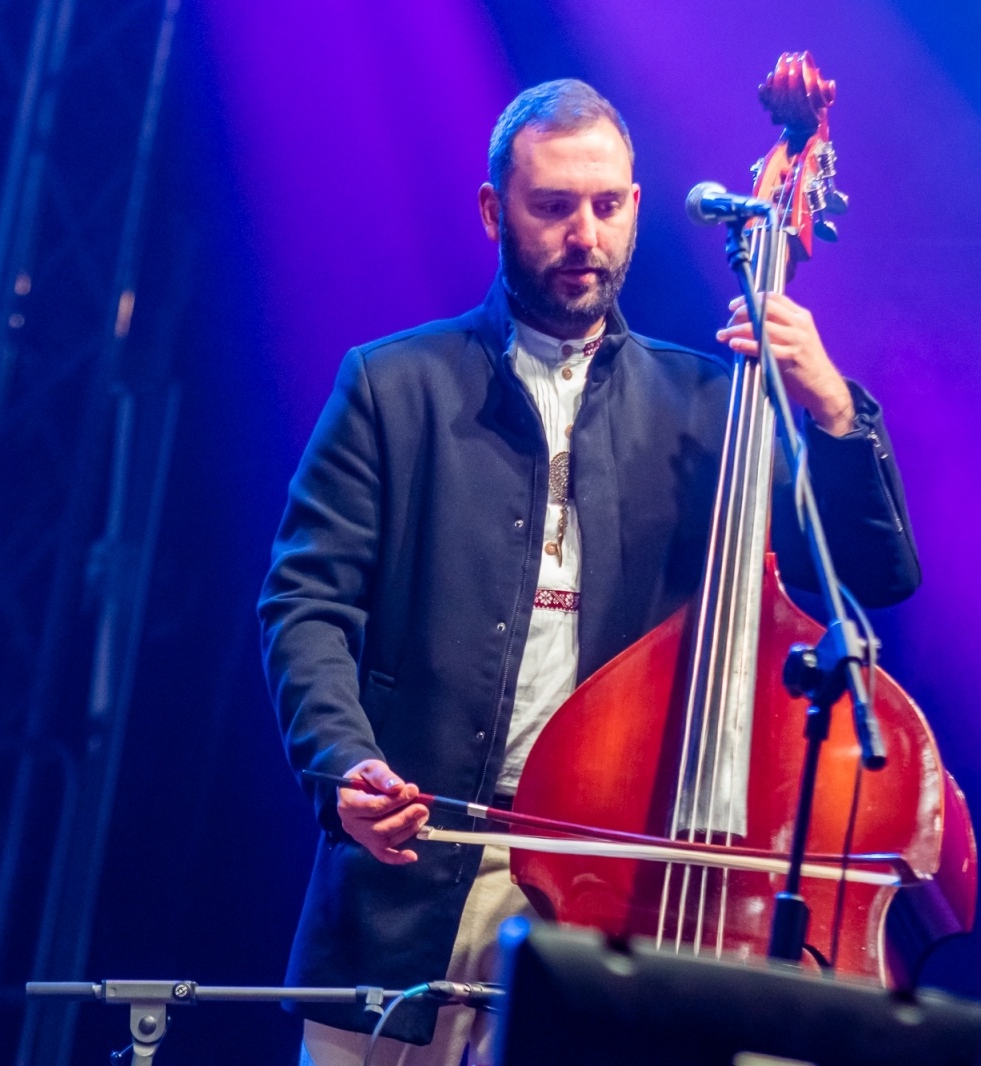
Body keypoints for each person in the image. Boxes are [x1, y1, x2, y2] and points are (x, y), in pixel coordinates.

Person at [258, 78, 920, 1066]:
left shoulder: (710, 407)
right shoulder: (391, 387)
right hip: (420, 871)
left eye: (607, 206)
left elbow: (874, 574)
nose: (585, 236)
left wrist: (830, 408)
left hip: (621, 886)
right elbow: (306, 603)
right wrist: (341, 760)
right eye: (554, 206)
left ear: (637, 206)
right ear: (495, 211)